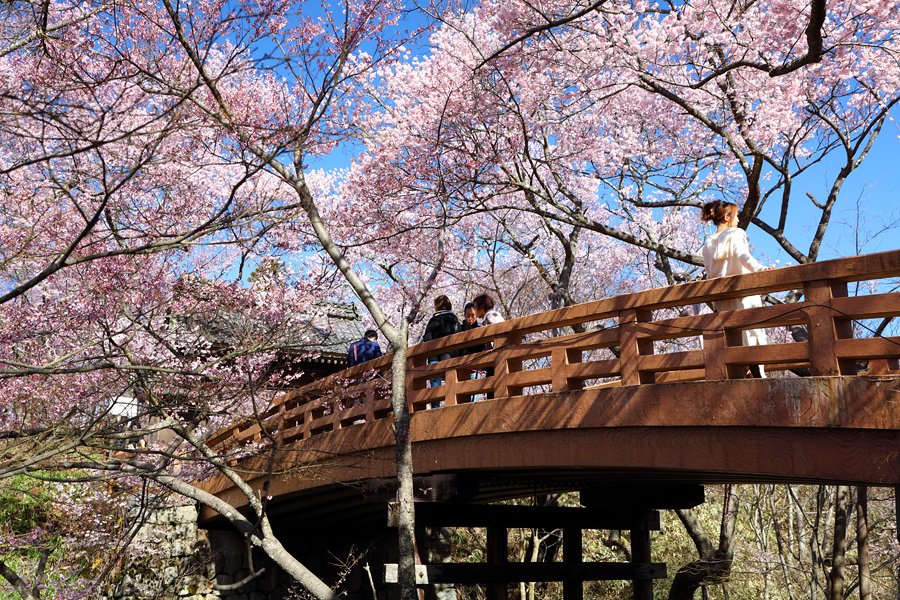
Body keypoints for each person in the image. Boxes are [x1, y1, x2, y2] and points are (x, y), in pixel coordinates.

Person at [700, 200, 769, 378]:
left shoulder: (707, 244)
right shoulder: (736, 233)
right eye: (736, 216)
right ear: (726, 217)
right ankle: (758, 378)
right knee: (752, 339)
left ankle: (740, 377)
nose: (738, 220)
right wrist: (762, 270)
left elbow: (709, 275)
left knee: (733, 344)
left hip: (723, 302)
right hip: (744, 297)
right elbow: (743, 256)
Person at [472, 294, 504, 398]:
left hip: (498, 359)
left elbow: (501, 329)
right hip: (496, 359)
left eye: (475, 307)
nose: (474, 310)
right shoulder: (490, 316)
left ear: (482, 308)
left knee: (493, 392)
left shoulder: (491, 316)